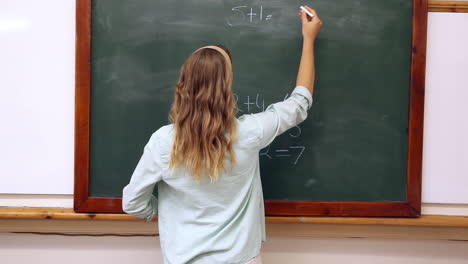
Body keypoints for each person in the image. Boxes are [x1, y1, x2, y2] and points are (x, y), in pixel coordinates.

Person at [122, 6, 322, 264]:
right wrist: (309, 39)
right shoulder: (249, 133)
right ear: (226, 89)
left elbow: (133, 203)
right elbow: (299, 102)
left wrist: (169, 212)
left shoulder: (163, 143)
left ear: (183, 85)